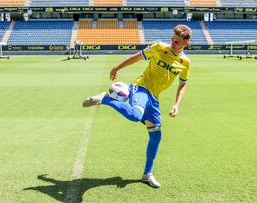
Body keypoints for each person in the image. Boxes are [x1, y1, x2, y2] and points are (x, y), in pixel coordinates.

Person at [82, 24, 192, 188]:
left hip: (153, 98)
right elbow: (137, 57)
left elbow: (183, 84)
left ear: (186, 44)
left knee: (156, 137)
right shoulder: (159, 47)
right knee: (135, 115)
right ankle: (105, 99)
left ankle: (147, 174)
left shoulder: (186, 63)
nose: (173, 44)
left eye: (177, 42)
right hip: (141, 87)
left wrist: (177, 104)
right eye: (172, 40)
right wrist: (117, 67)